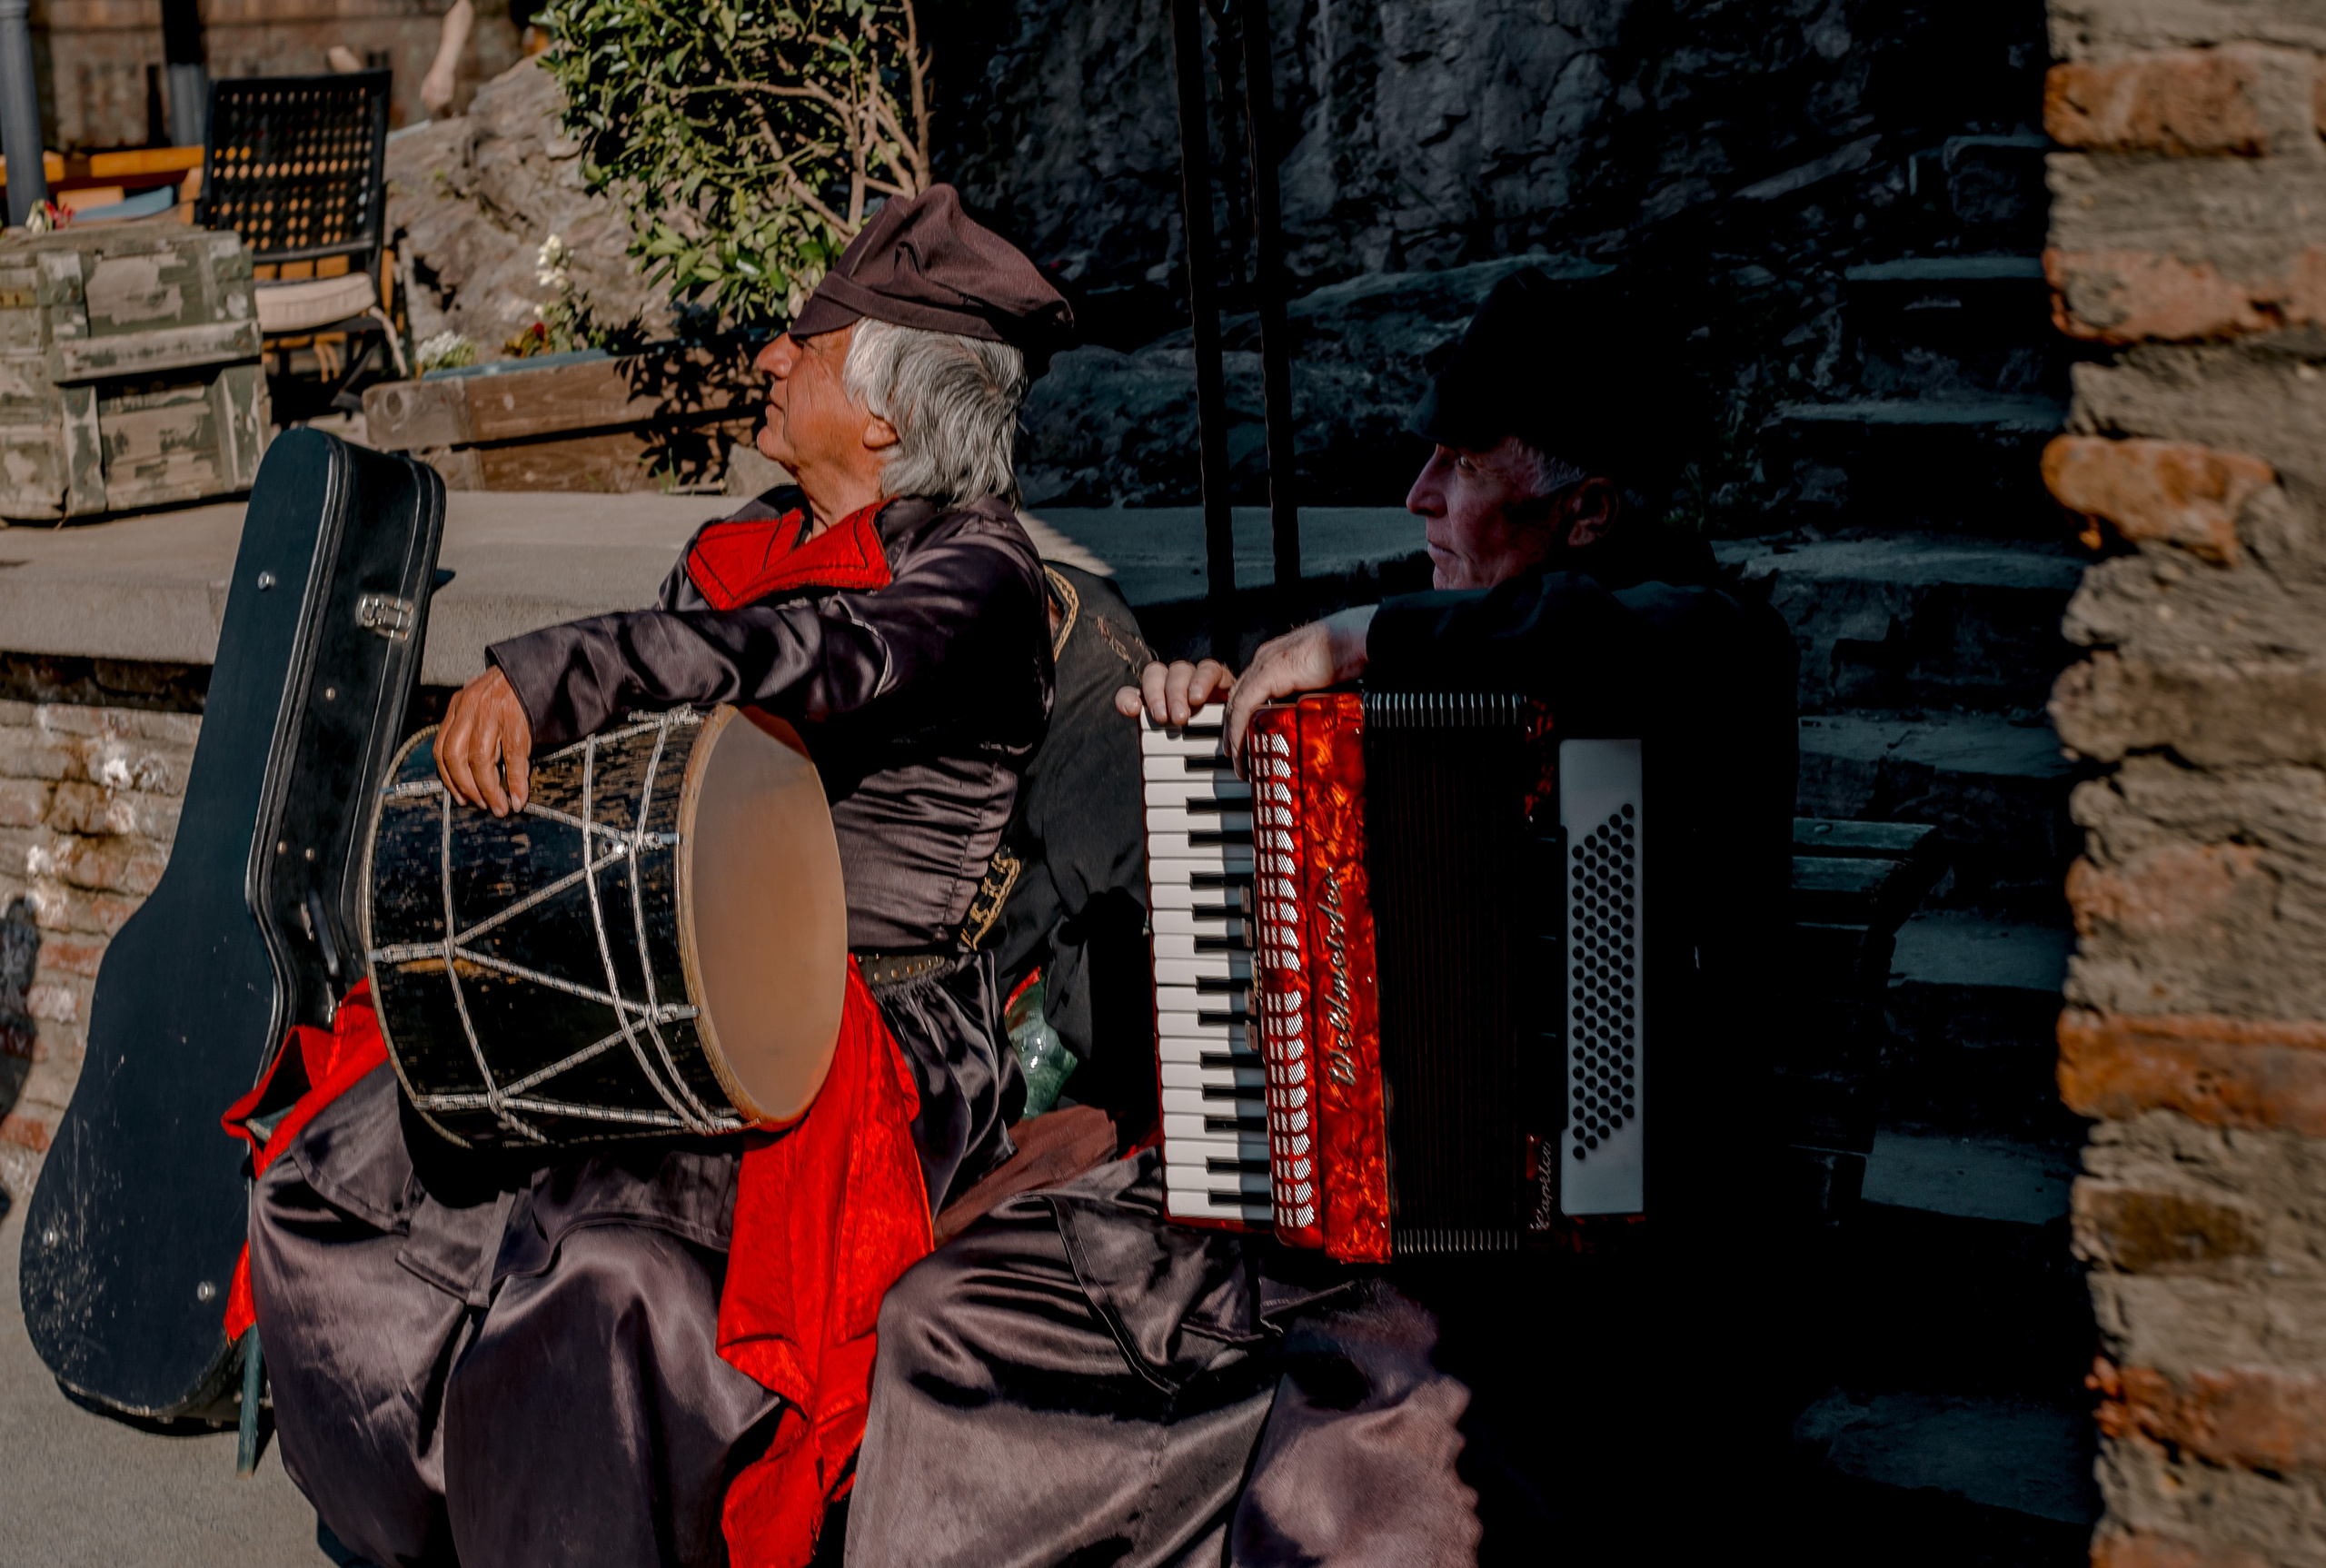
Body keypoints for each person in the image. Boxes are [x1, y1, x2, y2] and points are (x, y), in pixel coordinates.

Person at [843, 267, 1801, 1565]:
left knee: (1340, 1479)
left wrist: (1358, 632)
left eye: (1459, 465)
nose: (1416, 496)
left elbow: (1632, 643)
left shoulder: (1702, 655)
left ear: (1587, 513)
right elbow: (1281, 1004)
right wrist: (1206, 756)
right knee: (947, 1313)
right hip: (1327, 1244)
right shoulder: (1396, 698)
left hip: (1563, 1311)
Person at [244, 184, 1073, 1568]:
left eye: (806, 341)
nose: (767, 356)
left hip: (855, 1037)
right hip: (645, 976)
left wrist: (562, 671)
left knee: (605, 1277)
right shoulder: (743, 537)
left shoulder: (975, 569)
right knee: (335, 1168)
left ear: (880, 410)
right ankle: (439, 1524)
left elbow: (814, 658)